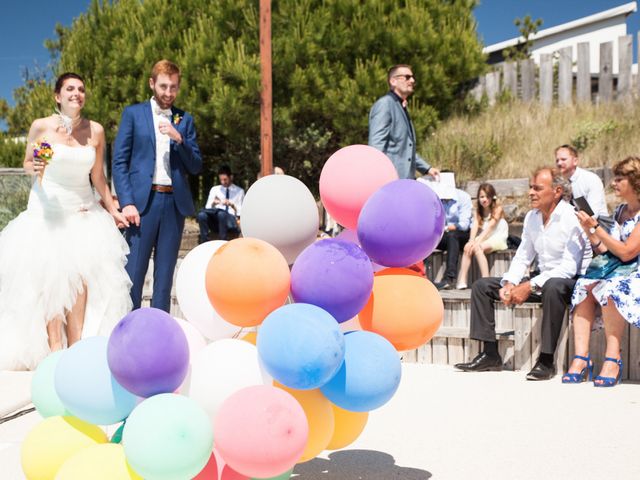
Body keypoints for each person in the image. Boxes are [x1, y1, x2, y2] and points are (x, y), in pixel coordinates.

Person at [0, 73, 132, 370]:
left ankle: (78, 346)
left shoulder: (95, 131)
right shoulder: (42, 127)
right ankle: (54, 349)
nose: (77, 93)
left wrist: (112, 208)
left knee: (83, 279)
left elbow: (98, 176)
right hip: (47, 213)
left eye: (81, 89)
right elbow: (28, 163)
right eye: (70, 89)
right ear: (57, 96)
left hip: (84, 212)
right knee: (51, 276)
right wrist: (34, 166)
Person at [454, 167, 590, 380]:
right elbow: (523, 256)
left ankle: (546, 361)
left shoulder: (572, 217)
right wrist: (509, 282)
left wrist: (529, 286)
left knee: (554, 285)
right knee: (482, 286)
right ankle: (490, 354)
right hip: (541, 279)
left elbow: (568, 269)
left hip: (570, 283)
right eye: (530, 188)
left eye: (537, 188)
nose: (530, 193)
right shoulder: (532, 217)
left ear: (557, 191)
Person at [113, 60, 202, 312]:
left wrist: (180, 139)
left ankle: (159, 338)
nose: (168, 93)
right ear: (152, 83)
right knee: (134, 276)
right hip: (142, 205)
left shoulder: (185, 119)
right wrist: (127, 201)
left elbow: (195, 165)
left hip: (174, 204)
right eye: (163, 86)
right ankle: (129, 333)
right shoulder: (133, 114)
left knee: (164, 280)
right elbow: (120, 161)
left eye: (174, 87)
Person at [563, 157, 640, 387]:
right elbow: (606, 250)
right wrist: (589, 231)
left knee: (611, 287)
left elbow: (627, 252)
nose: (614, 184)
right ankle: (581, 358)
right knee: (584, 286)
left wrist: (597, 227)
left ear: (635, 181)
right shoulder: (619, 211)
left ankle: (613, 357)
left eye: (619, 179)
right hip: (620, 269)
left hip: (634, 271)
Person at [368, 64, 440, 180]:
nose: (412, 80)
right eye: (407, 77)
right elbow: (376, 148)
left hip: (404, 182)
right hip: (389, 182)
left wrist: (427, 168)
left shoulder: (400, 106)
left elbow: (405, 151)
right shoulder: (385, 104)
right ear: (393, 81)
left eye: (412, 77)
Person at [456, 183, 509, 289]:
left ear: (492, 197)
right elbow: (475, 226)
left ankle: (486, 279)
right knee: (468, 247)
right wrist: (471, 240)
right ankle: (462, 280)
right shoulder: (478, 211)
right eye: (482, 197)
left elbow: (490, 227)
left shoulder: (497, 209)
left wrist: (477, 241)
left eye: (487, 197)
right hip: (485, 237)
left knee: (478, 247)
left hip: (498, 236)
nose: (484, 199)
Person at [430, 173, 472, 290]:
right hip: (444, 234)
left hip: (461, 235)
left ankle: (449, 278)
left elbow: (464, 225)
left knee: (452, 236)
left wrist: (447, 228)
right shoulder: (436, 199)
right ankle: (421, 276)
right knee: (426, 238)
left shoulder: (463, 197)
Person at [555, 144, 608, 218]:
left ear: (575, 161)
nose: (559, 163)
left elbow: (593, 215)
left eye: (563, 159)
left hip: (598, 225)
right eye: (557, 160)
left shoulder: (591, 180)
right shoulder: (558, 183)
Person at [197, 165, 244, 242]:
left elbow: (240, 212)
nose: (223, 182)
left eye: (225, 179)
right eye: (221, 180)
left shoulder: (239, 191)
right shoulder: (215, 189)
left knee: (221, 214)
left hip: (230, 221)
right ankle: (204, 241)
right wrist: (214, 203)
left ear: (230, 177)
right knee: (202, 215)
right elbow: (208, 208)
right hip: (215, 219)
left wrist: (231, 205)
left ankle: (222, 241)